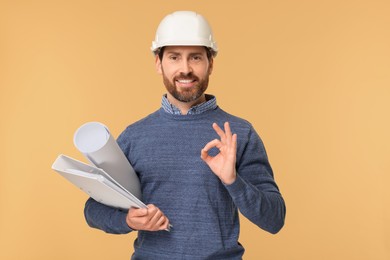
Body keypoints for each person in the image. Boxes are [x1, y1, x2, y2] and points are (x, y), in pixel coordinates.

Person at [84, 11, 286, 259]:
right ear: (159, 63)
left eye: (196, 58)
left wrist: (233, 181)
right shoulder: (134, 136)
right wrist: (128, 220)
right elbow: (93, 209)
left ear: (210, 63)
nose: (185, 69)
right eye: (174, 57)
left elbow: (275, 219)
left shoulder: (239, 134)